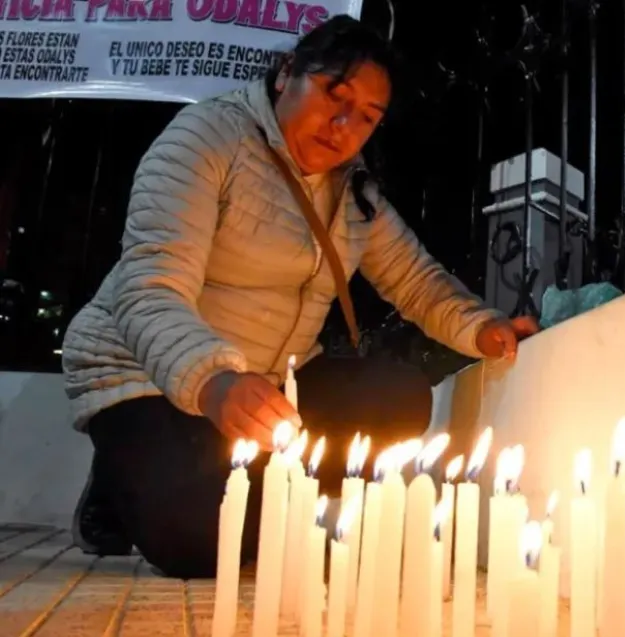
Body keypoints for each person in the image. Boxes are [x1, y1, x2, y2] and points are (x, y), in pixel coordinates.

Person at [61, 15, 538, 579]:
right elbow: (150, 287)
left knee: (398, 395)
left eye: (366, 117)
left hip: (266, 379)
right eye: (334, 96)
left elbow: (416, 281)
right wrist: (213, 383)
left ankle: (206, 486)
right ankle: (123, 482)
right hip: (147, 370)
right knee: (195, 546)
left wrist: (483, 328)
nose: (343, 126)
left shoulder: (355, 190)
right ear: (288, 73)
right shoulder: (205, 139)